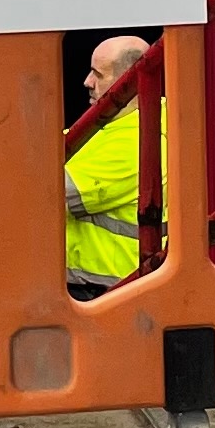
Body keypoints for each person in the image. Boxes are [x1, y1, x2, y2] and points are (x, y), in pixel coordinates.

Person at [65, 32, 155, 295]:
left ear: (130, 82)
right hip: (93, 292)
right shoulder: (108, 127)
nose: (87, 82)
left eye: (98, 74)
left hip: (115, 295)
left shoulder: (139, 141)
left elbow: (43, 193)